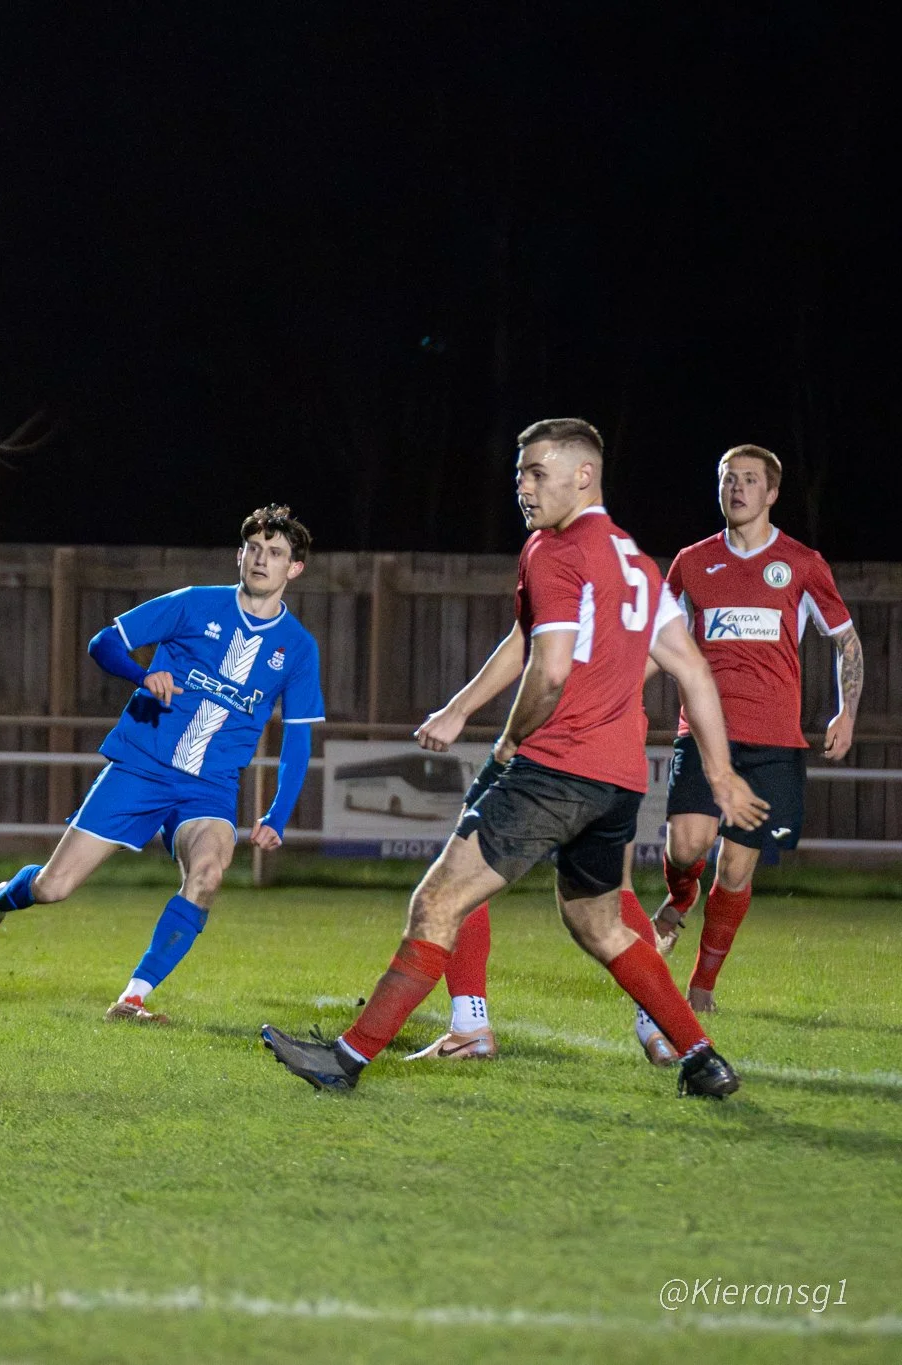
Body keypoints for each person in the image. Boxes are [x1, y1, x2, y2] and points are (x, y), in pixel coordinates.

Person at [261, 419, 767, 1099]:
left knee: (438, 900)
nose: (522, 486)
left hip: (555, 768)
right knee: (601, 923)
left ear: (583, 474)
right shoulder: (639, 566)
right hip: (617, 782)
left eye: (537, 471)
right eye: (519, 473)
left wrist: (509, 738)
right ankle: (702, 1059)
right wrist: (721, 770)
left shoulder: (553, 550)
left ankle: (346, 1060)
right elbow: (692, 673)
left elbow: (549, 669)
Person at [0, 504, 324, 1022]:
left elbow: (299, 739)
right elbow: (103, 643)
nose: (262, 560)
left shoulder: (299, 649)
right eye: (255, 549)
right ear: (240, 555)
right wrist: (139, 675)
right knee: (54, 888)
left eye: (276, 553)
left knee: (209, 874)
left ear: (295, 568)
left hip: (210, 786)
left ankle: (132, 998)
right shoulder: (193, 605)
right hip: (142, 765)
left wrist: (278, 814)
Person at [653, 444, 862, 1013]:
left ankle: (702, 987)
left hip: (772, 741)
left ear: (771, 493)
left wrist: (847, 709)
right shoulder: (691, 562)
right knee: (687, 844)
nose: (737, 488)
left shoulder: (801, 563)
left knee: (739, 868)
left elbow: (844, 638)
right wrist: (617, 691)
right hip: (701, 732)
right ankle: (679, 895)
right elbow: (660, 643)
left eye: (749, 480)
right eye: (728, 479)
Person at [403, 629, 673, 1064]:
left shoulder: (559, 561)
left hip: (554, 734)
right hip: (619, 739)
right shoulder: (636, 571)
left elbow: (525, 647)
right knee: (613, 895)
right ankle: (659, 1027)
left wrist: (459, 711)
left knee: (459, 879)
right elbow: (676, 650)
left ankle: (469, 1027)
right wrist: (613, 686)